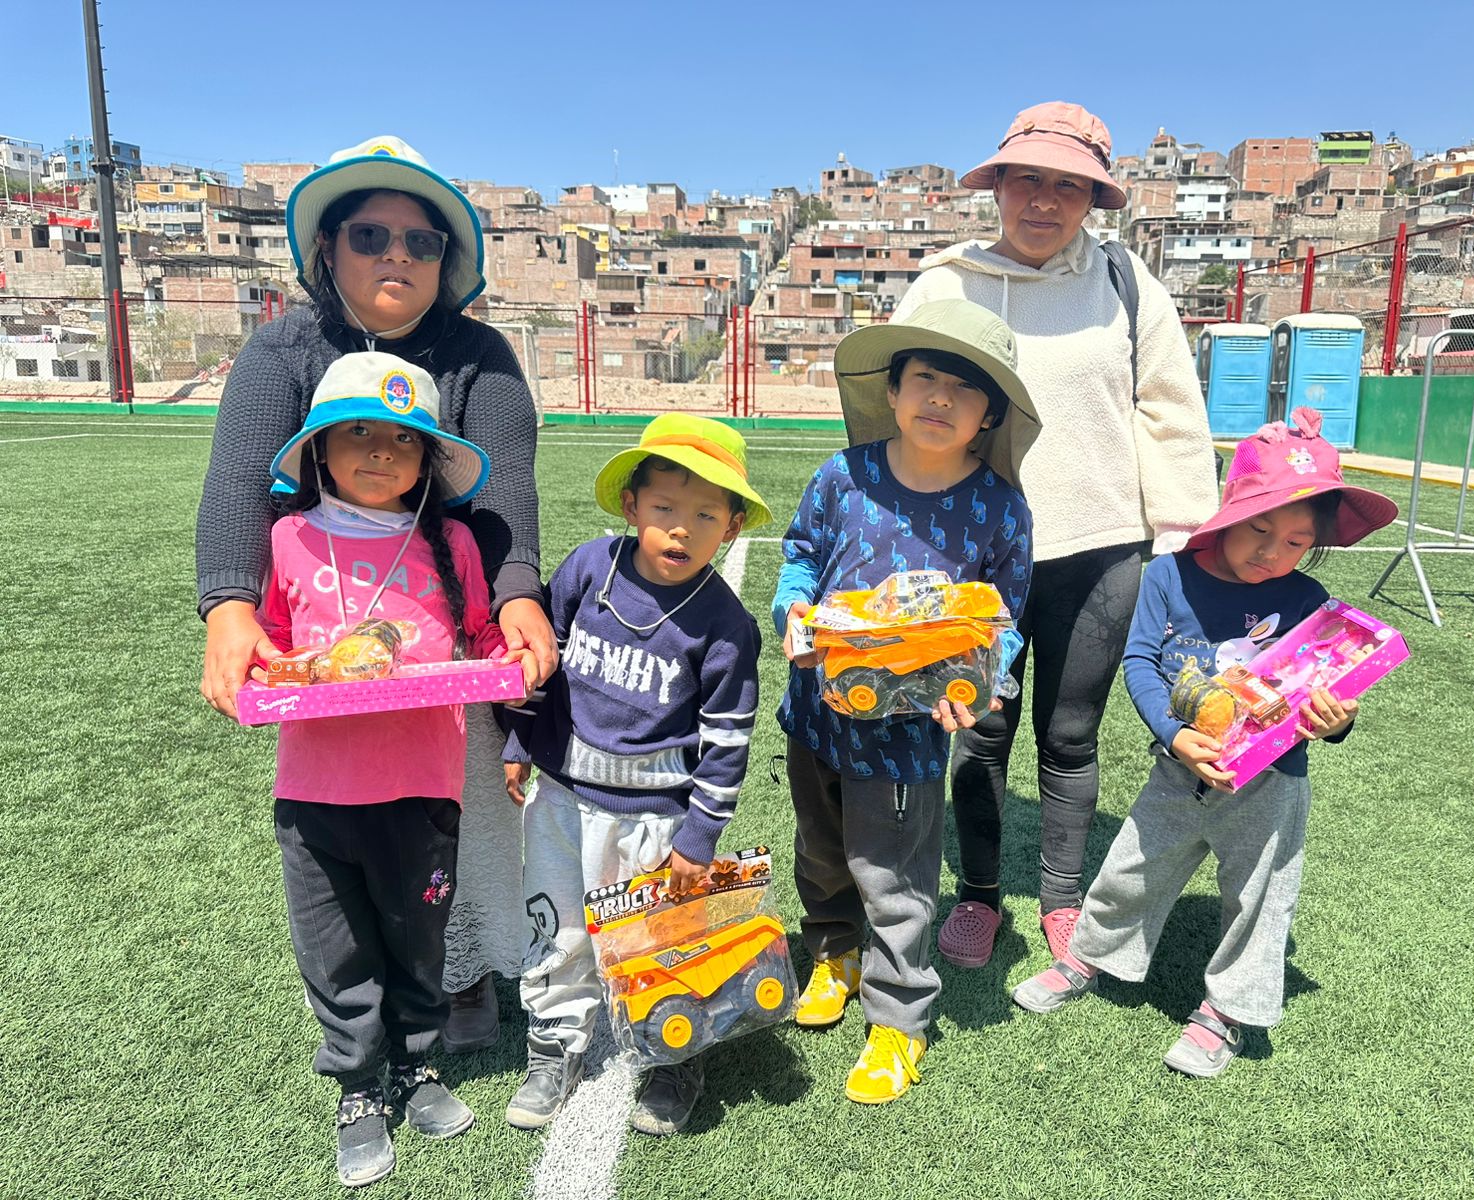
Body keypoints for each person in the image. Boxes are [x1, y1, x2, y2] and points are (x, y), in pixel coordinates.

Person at [195, 135, 556, 1051]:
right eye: (370, 234)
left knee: (461, 792)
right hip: (326, 592)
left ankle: (464, 970)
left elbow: (507, 484)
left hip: (443, 597)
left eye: (421, 241)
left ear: (448, 261)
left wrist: (515, 595)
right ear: (326, 251)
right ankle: (362, 985)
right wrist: (232, 606)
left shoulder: (483, 356)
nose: (397, 254)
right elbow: (240, 480)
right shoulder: (282, 349)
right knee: (341, 806)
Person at [893, 103, 1220, 989]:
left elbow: (1169, 408)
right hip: (969, 554)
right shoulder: (941, 285)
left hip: (1101, 543)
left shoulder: (1125, 281)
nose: (1045, 199)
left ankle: (1063, 895)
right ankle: (982, 895)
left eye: (1067, 184)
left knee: (1070, 737)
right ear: (998, 185)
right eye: (1029, 177)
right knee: (980, 729)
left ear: (1093, 198)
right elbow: (892, 409)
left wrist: (1185, 539)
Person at [1011, 408, 1398, 1077]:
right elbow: (1140, 664)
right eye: (1260, 527)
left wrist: (1338, 719)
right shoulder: (1168, 576)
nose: (1271, 551)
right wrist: (1176, 734)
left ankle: (1227, 1011)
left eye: (1295, 540)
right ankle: (1089, 955)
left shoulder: (1312, 601)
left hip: (1271, 785)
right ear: (1232, 509)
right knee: (1131, 867)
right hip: (1179, 769)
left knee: (1259, 896)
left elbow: (1327, 698)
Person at [254, 352, 541, 1186]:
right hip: (315, 794)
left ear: (425, 462)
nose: (380, 452)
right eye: (356, 434)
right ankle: (356, 1086)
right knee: (335, 952)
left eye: (402, 440)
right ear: (318, 450)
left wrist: (512, 666)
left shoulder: (450, 540)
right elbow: (272, 645)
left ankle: (416, 1067)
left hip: (424, 786)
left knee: (419, 943)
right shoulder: (288, 537)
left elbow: (487, 638)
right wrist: (267, 673)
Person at [772, 299, 1038, 1104]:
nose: (939, 399)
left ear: (988, 414)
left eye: (963, 388)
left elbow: (1005, 619)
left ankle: (898, 1018)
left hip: (911, 734)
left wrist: (985, 685)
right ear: (892, 391)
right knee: (820, 854)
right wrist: (792, 611)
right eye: (924, 378)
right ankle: (833, 952)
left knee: (895, 875)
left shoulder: (999, 507)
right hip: (818, 713)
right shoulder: (842, 475)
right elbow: (800, 557)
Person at [499, 415, 768, 1137]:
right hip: (563, 800)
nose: (681, 530)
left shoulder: (725, 626)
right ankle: (555, 1044)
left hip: (656, 816)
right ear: (631, 505)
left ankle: (672, 1056)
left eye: (705, 515)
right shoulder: (590, 567)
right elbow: (541, 664)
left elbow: (728, 739)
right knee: (558, 932)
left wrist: (700, 835)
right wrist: (520, 740)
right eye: (665, 509)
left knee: (658, 942)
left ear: (732, 527)